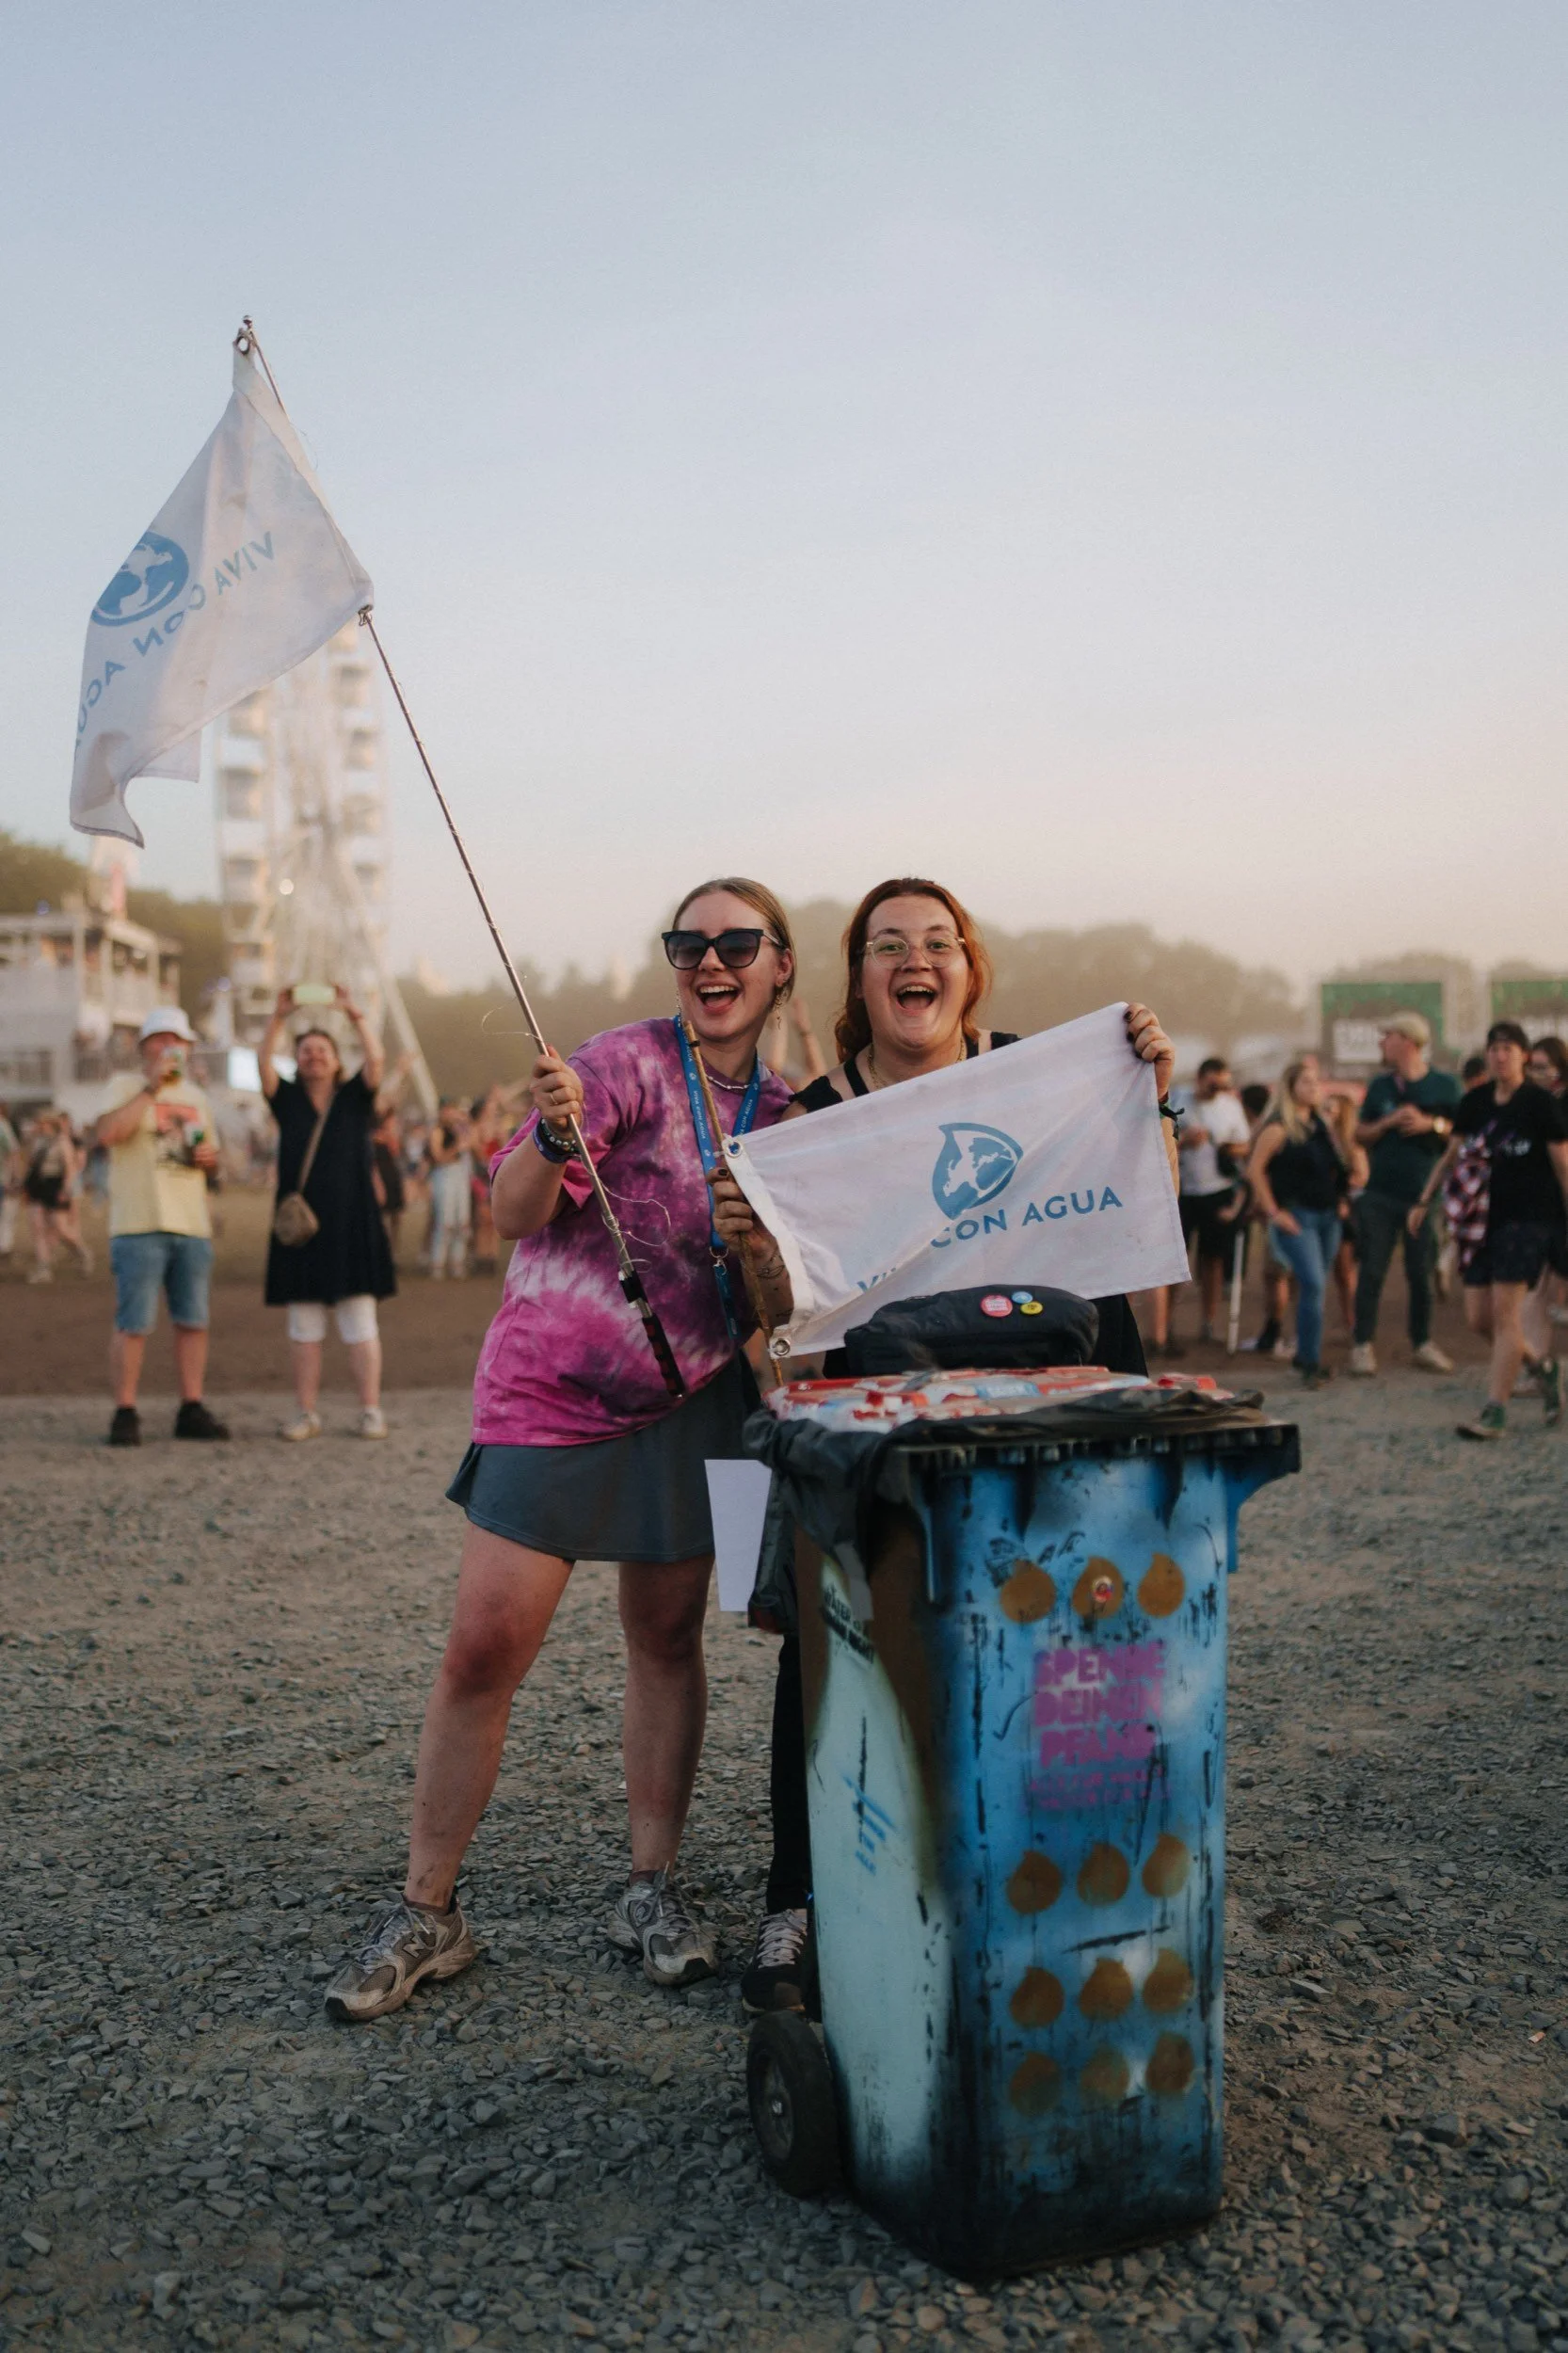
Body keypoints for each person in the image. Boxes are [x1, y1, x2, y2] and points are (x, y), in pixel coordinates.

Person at [325, 879, 798, 2022]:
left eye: (738, 942)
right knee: (485, 1646)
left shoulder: (790, 1116)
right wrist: (548, 1130)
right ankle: (427, 1907)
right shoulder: (625, 1063)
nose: (711, 960)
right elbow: (513, 1211)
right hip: (552, 1386)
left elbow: (783, 1300)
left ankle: (650, 1884)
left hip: (694, 1396)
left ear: (781, 963)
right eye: (689, 942)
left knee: (667, 1636)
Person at [710, 874, 1176, 2016]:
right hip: (878, 1436)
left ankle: (1053, 1880)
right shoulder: (808, 1122)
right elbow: (779, 1323)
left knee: (1055, 1637)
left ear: (968, 967)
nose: (912, 961)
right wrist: (747, 1245)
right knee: (835, 1651)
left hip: (1044, 1418)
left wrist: (1146, 1098)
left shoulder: (1052, 1080)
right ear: (859, 981)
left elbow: (1130, 1234)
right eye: (884, 946)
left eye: (936, 942)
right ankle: (801, 1900)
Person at [1410, 1019, 1568, 1441]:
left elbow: (1562, 1164)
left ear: (1523, 1055)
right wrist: (1426, 1199)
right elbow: (1452, 1154)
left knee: (1504, 1316)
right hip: (1481, 1221)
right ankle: (1543, 1368)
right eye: (1494, 1048)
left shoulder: (1540, 1104)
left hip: (1528, 1220)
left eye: (1509, 1049)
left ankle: (1495, 1410)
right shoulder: (1476, 1101)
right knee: (1478, 1320)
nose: (1501, 1056)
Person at [260, 986, 396, 1442]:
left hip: (353, 1224)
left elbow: (376, 1061)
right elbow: (264, 1065)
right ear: (296, 1060)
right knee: (304, 1327)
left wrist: (354, 1013)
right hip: (302, 1231)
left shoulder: (355, 1098)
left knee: (361, 1324)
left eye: (322, 1051)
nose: (314, 1057)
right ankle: (305, 1413)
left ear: (338, 1061)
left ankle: (370, 1410)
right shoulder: (286, 1100)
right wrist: (278, 1019)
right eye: (306, 1051)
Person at [93, 1007, 229, 1448]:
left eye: (177, 1040)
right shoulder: (124, 1086)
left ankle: (191, 1405)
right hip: (139, 1222)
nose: (169, 1047)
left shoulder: (198, 1097)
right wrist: (152, 1087)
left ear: (188, 1048)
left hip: (190, 1222)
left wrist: (211, 1162)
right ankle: (125, 1409)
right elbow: (109, 1133)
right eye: (160, 1039)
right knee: (133, 1321)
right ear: (144, 1046)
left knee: (193, 1320)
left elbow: (210, 1158)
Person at [1347, 1014, 1461, 1377]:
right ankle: (1362, 1346)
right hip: (1379, 1194)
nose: (1381, 1043)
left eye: (1387, 1036)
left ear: (1409, 1042)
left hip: (1422, 1196)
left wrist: (1433, 1125)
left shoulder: (1445, 1086)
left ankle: (1422, 1343)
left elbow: (1464, 1133)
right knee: (1371, 1273)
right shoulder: (1380, 1087)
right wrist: (1388, 1122)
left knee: (1421, 1273)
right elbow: (1360, 1135)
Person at [1245, 1059, 1348, 1388]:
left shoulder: (1320, 1127)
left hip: (1328, 1217)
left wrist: (1343, 1199)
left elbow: (1335, 1168)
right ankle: (1309, 1362)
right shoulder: (1278, 1127)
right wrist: (1274, 1212)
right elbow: (1254, 1170)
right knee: (1314, 1284)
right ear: (1291, 1089)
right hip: (1297, 1217)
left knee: (1314, 1288)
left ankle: (1305, 1356)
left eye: (1316, 1081)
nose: (1315, 1087)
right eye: (1306, 1082)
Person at [1169, 1057, 1250, 1349]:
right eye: (1214, 1083)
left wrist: (1226, 1146)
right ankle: (1165, 1326)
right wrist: (1184, 1141)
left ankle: (1209, 1322)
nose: (1219, 1089)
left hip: (1218, 1188)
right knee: (1176, 1263)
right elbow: (1157, 1138)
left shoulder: (1230, 1106)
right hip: (1182, 1190)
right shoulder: (1178, 1099)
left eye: (1224, 1084)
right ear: (1201, 1079)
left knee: (1213, 1260)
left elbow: (1245, 1144)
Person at [22, 1111, 92, 1282]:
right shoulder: (37, 1142)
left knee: (60, 1228)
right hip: (38, 1187)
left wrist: (65, 1190)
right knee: (38, 1227)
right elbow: (29, 1164)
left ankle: (81, 1251)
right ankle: (43, 1268)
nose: (39, 1126)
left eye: (42, 1123)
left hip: (56, 1186)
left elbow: (70, 1168)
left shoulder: (62, 1142)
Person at [425, 1102, 473, 1278]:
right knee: (444, 1221)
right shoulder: (437, 1131)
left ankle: (457, 1262)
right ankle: (437, 1263)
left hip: (460, 1174)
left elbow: (472, 1142)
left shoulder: (458, 1130)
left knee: (462, 1221)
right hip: (444, 1174)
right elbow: (438, 1158)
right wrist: (456, 1148)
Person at [371, 1106, 408, 1260]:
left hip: (393, 1178)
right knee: (383, 1218)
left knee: (395, 1217)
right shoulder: (374, 1138)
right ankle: (382, 1252)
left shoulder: (394, 1139)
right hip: (382, 1178)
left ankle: (393, 1251)